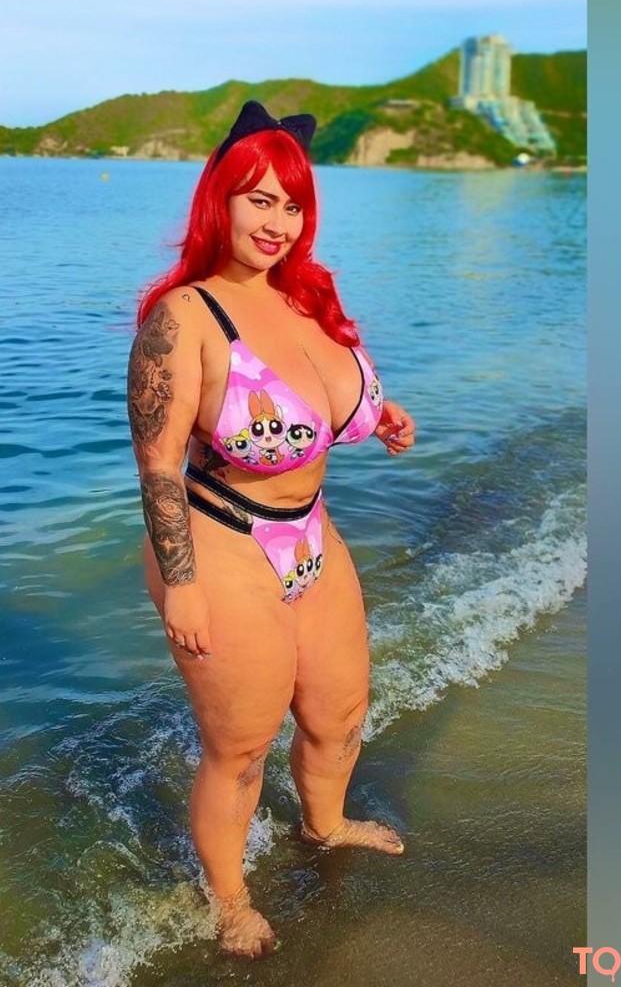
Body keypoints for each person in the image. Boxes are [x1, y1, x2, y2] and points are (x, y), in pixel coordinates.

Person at [126, 100, 416, 958]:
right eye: (259, 200)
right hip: (219, 538)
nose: (277, 222)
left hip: (312, 531)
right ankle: (228, 899)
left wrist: (377, 413)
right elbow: (159, 464)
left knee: (340, 711)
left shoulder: (307, 299)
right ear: (219, 199)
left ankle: (325, 825)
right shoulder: (185, 316)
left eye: (292, 204)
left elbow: (312, 398)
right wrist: (182, 583)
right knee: (243, 745)